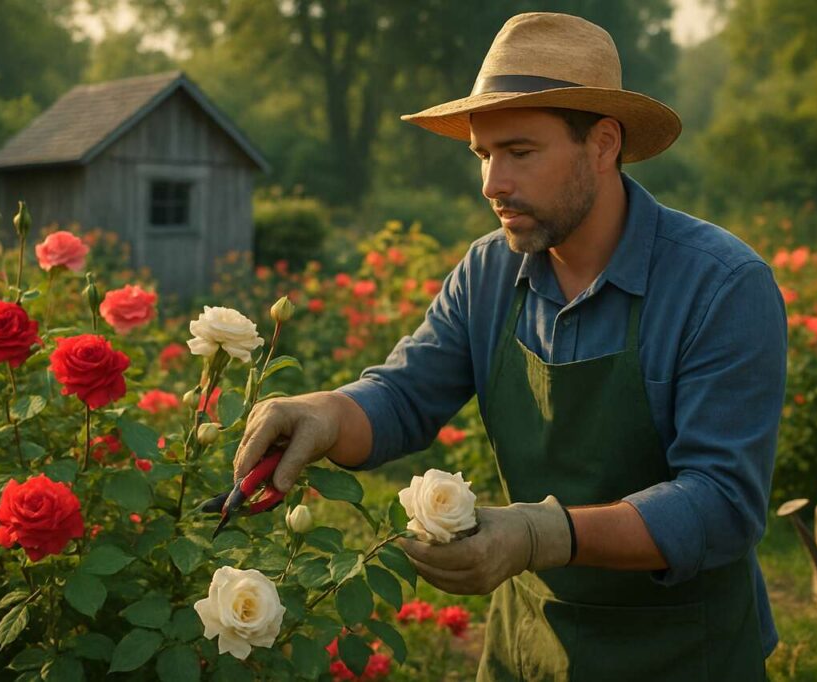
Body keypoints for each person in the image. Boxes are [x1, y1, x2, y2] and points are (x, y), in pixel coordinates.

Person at [233, 12, 786, 681]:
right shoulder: (489, 272)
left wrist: (538, 533)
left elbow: (722, 503)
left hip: (683, 651)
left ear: (604, 144)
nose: (493, 184)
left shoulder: (720, 285)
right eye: (484, 155)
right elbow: (405, 396)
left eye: (520, 152)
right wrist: (323, 412)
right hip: (529, 644)